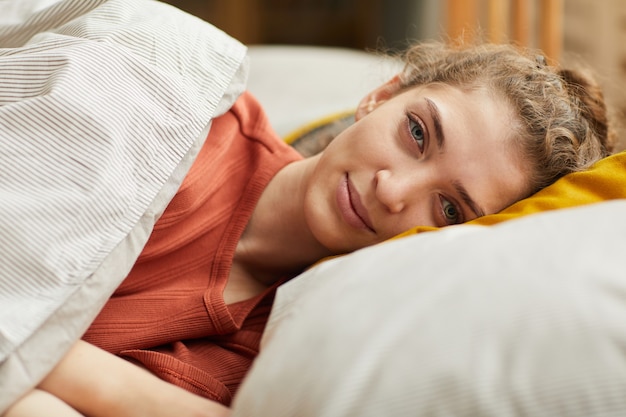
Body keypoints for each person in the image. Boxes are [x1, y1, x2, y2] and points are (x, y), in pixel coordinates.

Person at [3, 39, 615, 417]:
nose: (392, 190)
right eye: (418, 134)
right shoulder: (191, 125)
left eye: (450, 208)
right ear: (381, 96)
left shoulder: (278, 355)